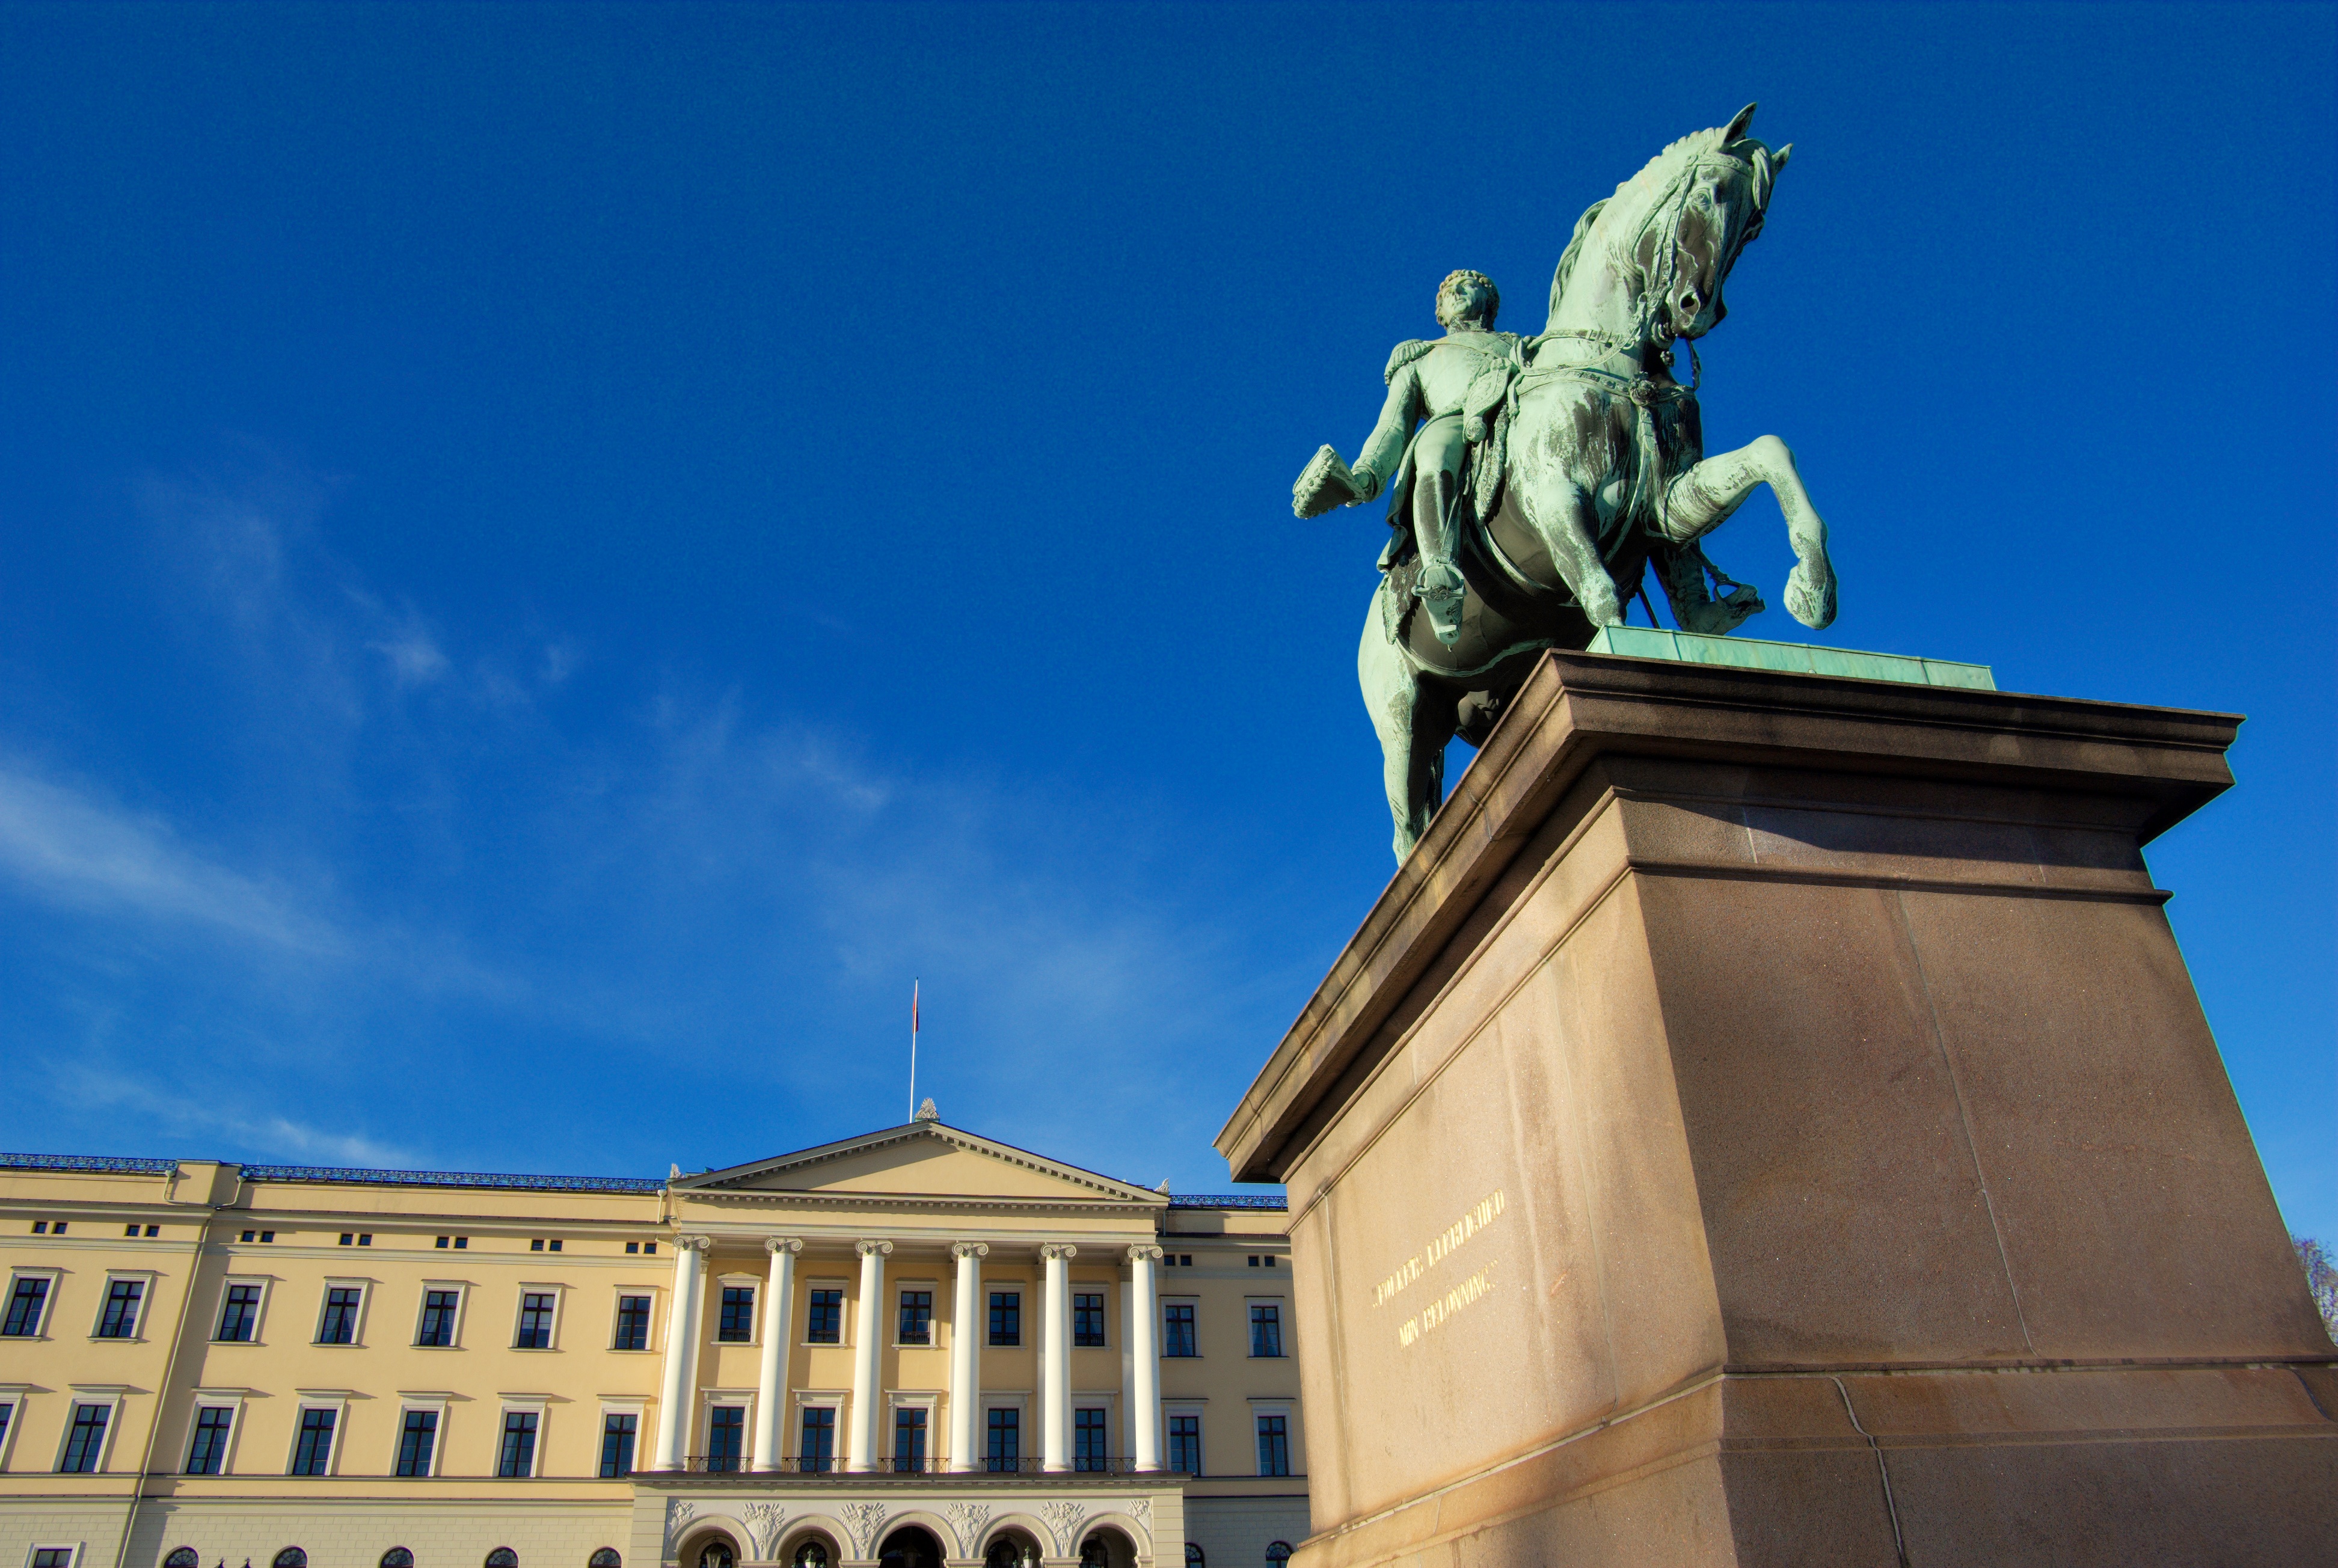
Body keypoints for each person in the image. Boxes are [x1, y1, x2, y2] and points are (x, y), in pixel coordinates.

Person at [1295, 269, 1520, 646]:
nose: (1460, 292)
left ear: (1491, 302)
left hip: (1516, 407)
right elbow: (1393, 427)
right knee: (1433, 449)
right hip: (1457, 420)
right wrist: (1365, 477)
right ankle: (1440, 571)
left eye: (1473, 286)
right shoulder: (1420, 355)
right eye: (1450, 291)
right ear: (1442, 315)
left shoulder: (1522, 344)